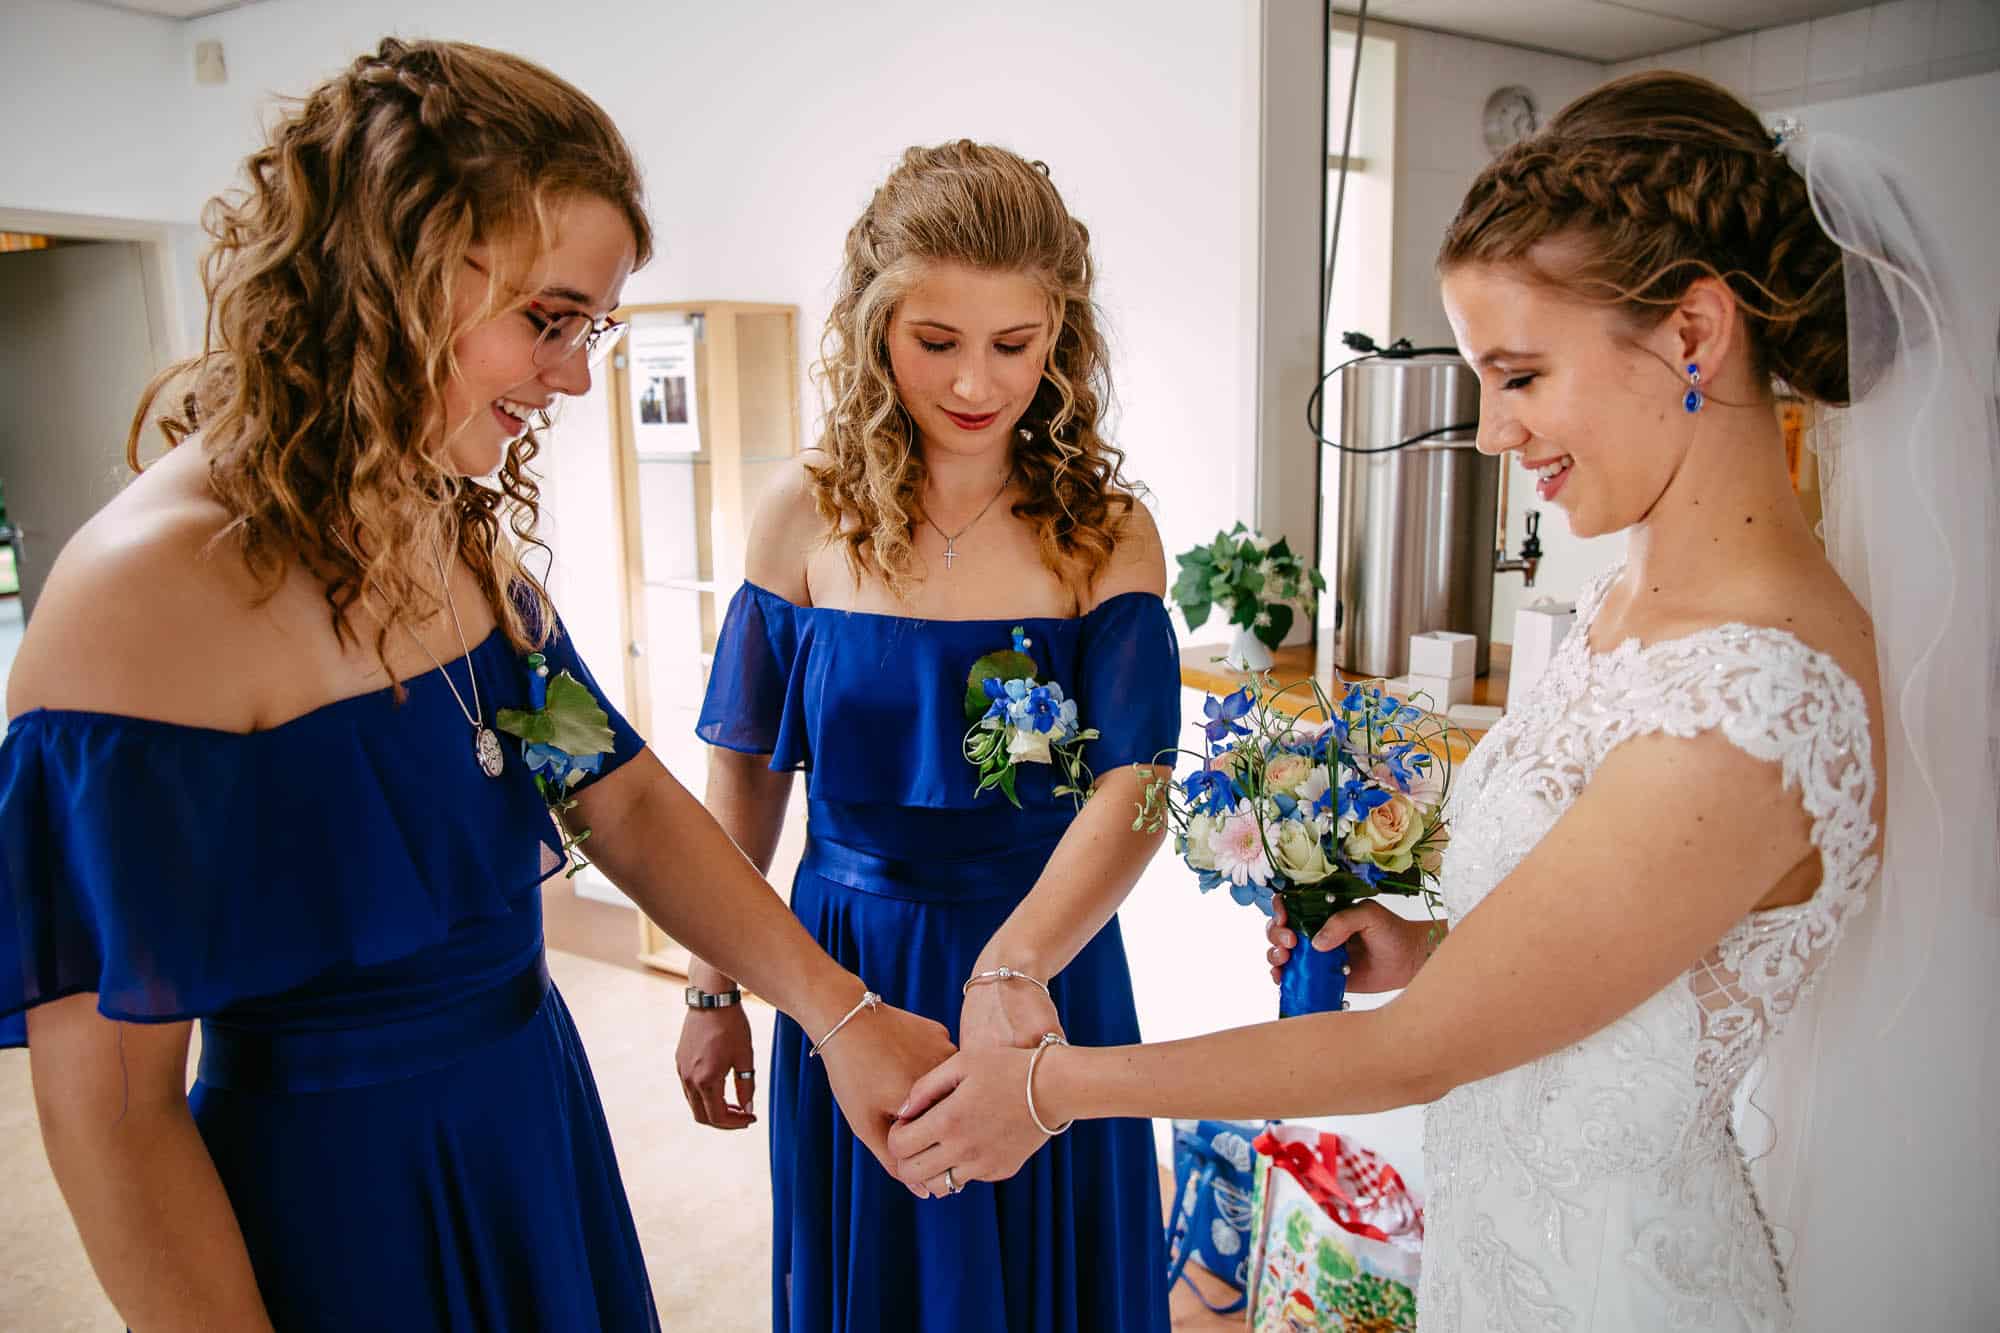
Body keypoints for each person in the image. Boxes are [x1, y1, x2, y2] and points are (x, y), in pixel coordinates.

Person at [886, 72, 1999, 1330]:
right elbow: (1621, 953)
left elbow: (1410, 1055)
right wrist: (1432, 949)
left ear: (1692, 334)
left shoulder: (1750, 702)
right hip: (1512, 1247)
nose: (1485, 432)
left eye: (1517, 374)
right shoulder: (1633, 604)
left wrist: (1048, 1089)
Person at [0, 38, 949, 1332]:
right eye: (549, 320)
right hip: (343, 1196)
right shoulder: (143, 598)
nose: (571, 375)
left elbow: (609, 788)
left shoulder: (442, 524)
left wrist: (837, 1014)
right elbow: (110, 1108)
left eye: (590, 329)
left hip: (530, 1121)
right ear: (387, 268)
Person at [678, 140, 1176, 1331]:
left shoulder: (1103, 530)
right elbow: (743, 774)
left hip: (1042, 957)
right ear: (870, 328)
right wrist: (712, 988)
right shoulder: (799, 513)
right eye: (934, 342)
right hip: (845, 956)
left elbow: (1136, 786)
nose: (973, 384)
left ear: (1061, 335)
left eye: (1014, 345)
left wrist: (1013, 966)